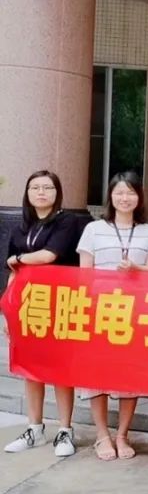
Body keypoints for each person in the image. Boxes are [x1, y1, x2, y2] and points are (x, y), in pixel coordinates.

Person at [76, 172, 148, 461]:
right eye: (119, 193)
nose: (125, 198)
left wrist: (135, 270)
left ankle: (123, 434)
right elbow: (85, 274)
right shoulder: (93, 229)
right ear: (110, 197)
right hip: (100, 310)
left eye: (131, 193)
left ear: (139, 197)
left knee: (130, 374)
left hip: (134, 313)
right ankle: (102, 435)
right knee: (96, 374)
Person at [4, 171, 82, 458]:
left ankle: (65, 429)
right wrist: (9, 311)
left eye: (47, 187)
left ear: (57, 192)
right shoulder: (20, 227)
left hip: (60, 303)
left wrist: (18, 259)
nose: (41, 192)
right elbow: (12, 275)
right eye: (35, 187)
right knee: (31, 367)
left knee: (61, 367)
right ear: (27, 193)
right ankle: (34, 429)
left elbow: (49, 255)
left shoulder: (67, 221)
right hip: (28, 306)